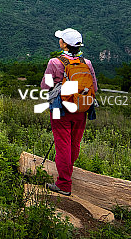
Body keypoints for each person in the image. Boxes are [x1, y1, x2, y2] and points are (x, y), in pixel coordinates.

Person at [40, 28, 98, 196]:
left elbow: (45, 86)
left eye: (61, 39)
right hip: (82, 107)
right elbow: (93, 86)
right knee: (74, 143)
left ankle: (64, 183)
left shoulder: (55, 63)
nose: (59, 41)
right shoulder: (86, 63)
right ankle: (66, 172)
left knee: (62, 144)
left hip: (61, 108)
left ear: (64, 44)